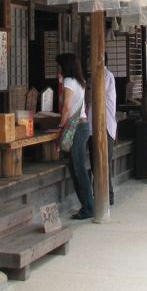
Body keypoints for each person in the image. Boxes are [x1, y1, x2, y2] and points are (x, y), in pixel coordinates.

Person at [56, 53, 94, 220]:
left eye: (59, 65)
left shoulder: (69, 81)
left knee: (78, 168)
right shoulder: (80, 81)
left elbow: (66, 107)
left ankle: (88, 207)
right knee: (75, 168)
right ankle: (86, 205)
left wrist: (60, 126)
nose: (57, 68)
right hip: (82, 126)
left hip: (76, 127)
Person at [87, 55, 117, 205]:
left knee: (102, 162)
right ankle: (100, 194)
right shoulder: (96, 76)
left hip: (103, 125)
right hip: (94, 125)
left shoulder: (105, 75)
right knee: (96, 162)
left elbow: (96, 94)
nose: (88, 63)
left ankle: (106, 196)